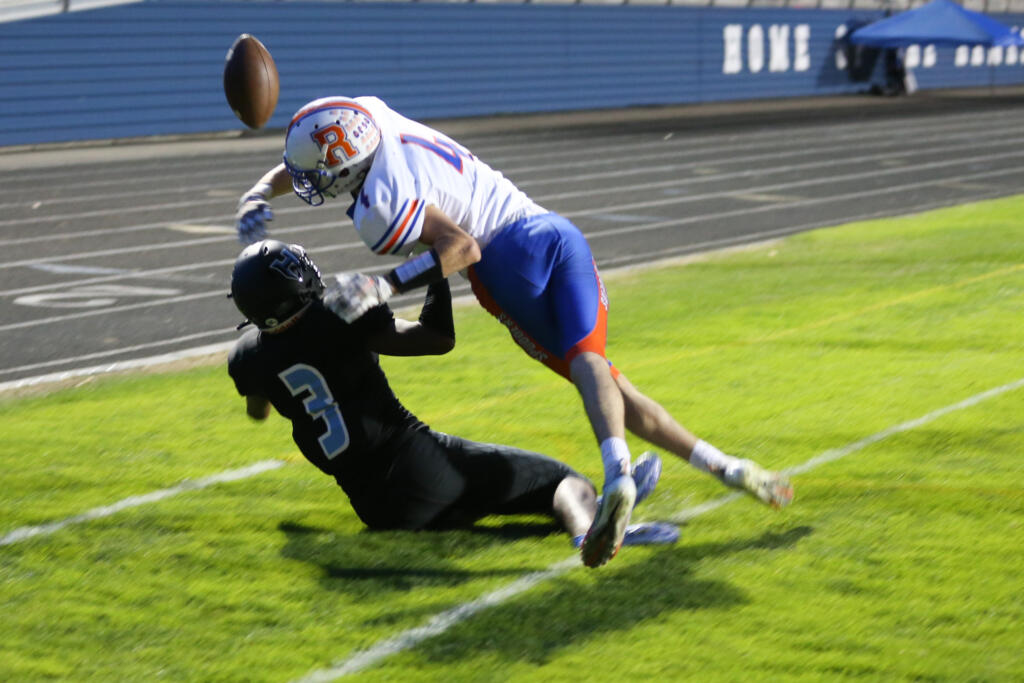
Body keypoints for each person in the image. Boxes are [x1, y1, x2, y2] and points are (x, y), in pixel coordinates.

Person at [234, 97, 794, 568]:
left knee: (588, 374)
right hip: (550, 229)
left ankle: (617, 475)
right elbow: (326, 154)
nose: (310, 184)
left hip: (504, 270)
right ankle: (723, 466)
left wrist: (386, 285)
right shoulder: (371, 114)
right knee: (596, 368)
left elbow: (462, 249)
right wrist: (263, 189)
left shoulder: (376, 215)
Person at [226, 239, 677, 551]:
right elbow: (436, 339)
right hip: (420, 465)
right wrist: (435, 274)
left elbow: (258, 409)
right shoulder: (335, 316)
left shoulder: (246, 356)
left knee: (507, 500)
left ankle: (598, 505)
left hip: (375, 507)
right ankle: (588, 531)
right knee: (560, 481)